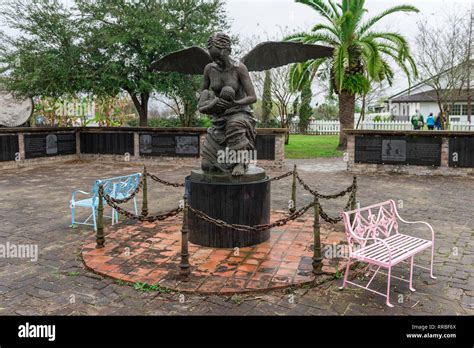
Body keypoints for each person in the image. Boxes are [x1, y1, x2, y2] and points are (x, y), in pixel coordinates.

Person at [198, 33, 258, 176]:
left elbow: (252, 97)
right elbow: (203, 93)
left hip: (239, 113)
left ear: (226, 50)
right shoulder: (209, 69)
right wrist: (210, 105)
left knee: (234, 124)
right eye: (213, 58)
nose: (216, 61)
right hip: (219, 117)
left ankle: (240, 162)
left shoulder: (239, 68)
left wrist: (235, 103)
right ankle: (219, 159)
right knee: (207, 166)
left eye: (218, 56)